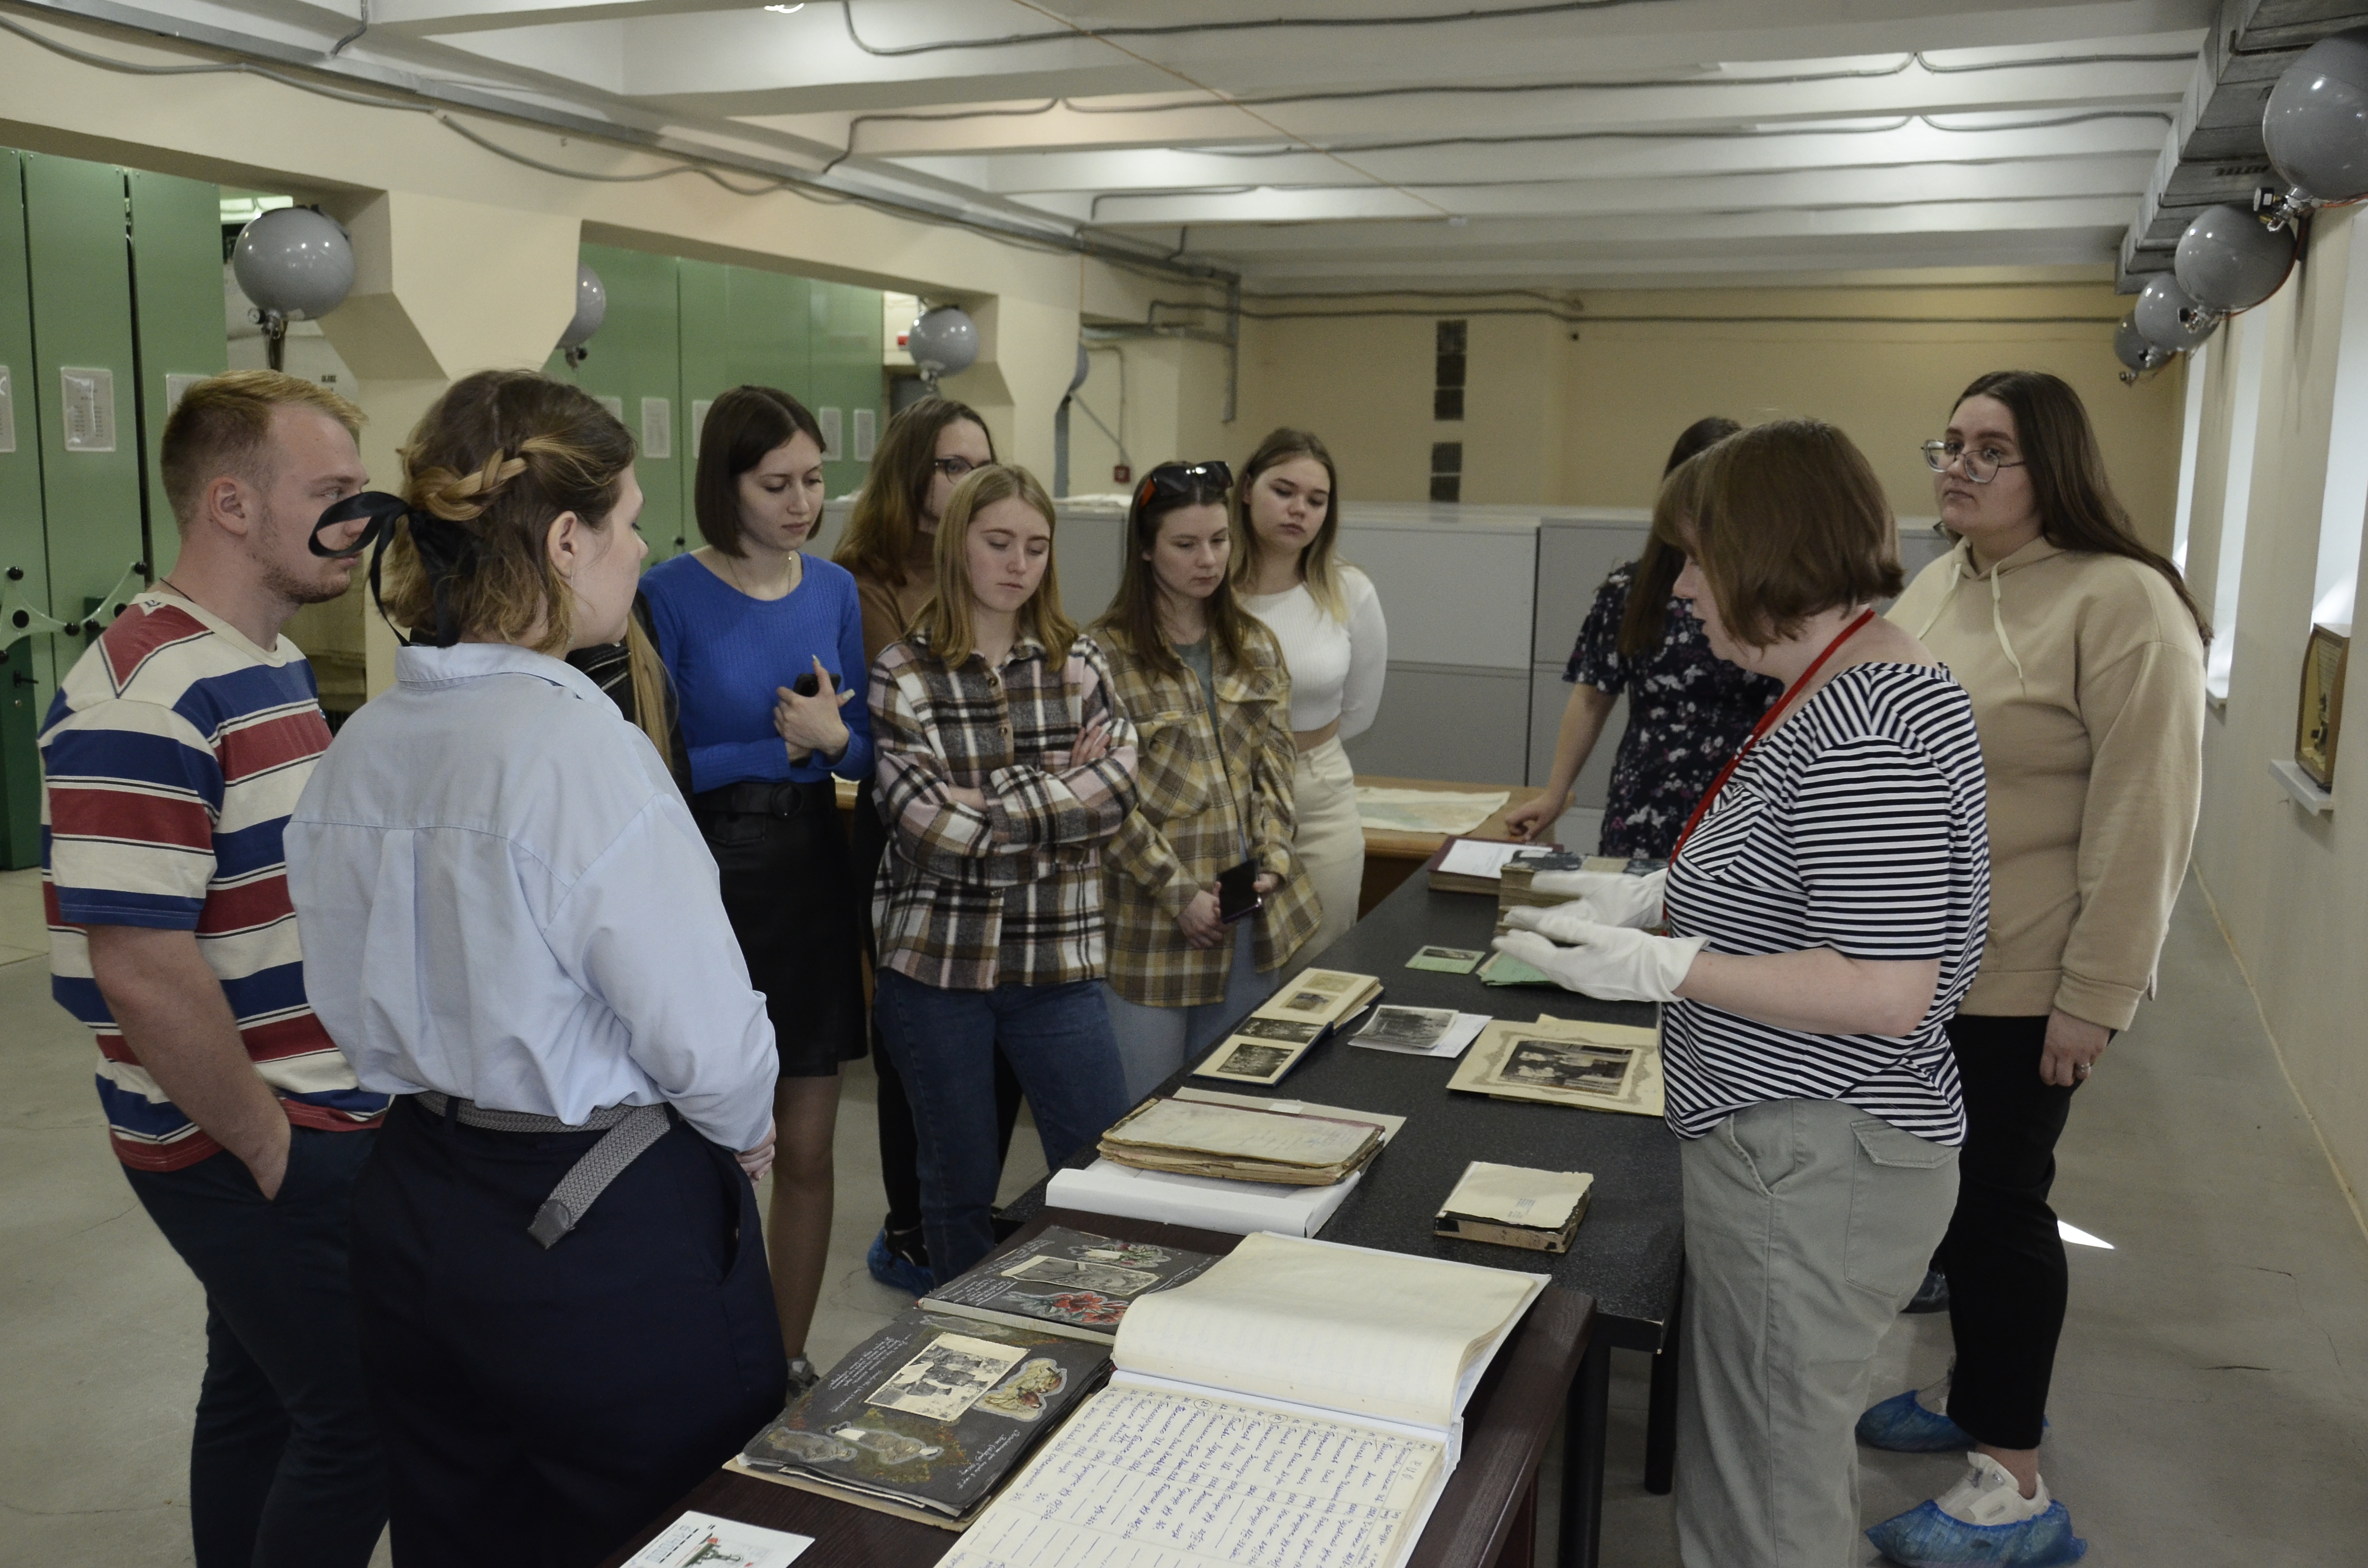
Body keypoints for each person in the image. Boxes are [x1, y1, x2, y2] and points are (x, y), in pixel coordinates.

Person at [284, 370, 785, 1568]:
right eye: (629, 516)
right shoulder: (576, 750)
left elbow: (342, 989)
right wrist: (744, 1126)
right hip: (592, 1229)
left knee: (464, 1529)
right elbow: (708, 1041)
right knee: (680, 1530)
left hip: (412, 1207)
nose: (645, 542)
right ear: (568, 539)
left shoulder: (365, 744)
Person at [1493, 420, 1994, 1568]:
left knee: (1765, 1491)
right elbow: (1808, 879)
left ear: (1768, 553)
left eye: (1698, 561)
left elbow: (1884, 990)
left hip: (1820, 1154)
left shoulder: (1868, 714)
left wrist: (1665, 964)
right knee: (1755, 1461)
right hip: (1800, 1145)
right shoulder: (1842, 679)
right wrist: (1661, 901)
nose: (1683, 591)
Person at [38, 370, 390, 1568]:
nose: (361, 518)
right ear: (232, 506)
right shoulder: (146, 694)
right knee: (361, 1425)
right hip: (244, 1133)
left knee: (260, 1396)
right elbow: (139, 967)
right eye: (332, 492)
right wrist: (267, 1140)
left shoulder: (262, 662)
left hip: (304, 1109)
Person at [1857, 371, 2207, 1567]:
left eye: (1989, 449)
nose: (1956, 464)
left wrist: (2094, 998)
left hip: (2026, 977)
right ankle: (1971, 1396)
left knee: (2004, 1215)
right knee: (1949, 1208)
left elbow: (2146, 815)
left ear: (2052, 464)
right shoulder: (1947, 577)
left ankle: (2012, 1481)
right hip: (1927, 969)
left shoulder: (2124, 603)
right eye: (1947, 442)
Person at [639, 385, 870, 1390]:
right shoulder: (668, 593)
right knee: (706, 1147)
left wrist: (832, 744)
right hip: (709, 874)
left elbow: (863, 741)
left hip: (815, 866)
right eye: (775, 484)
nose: (800, 502)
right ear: (722, 485)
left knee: (810, 1141)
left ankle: (783, 1358)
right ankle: (699, 1353)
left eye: (813, 481)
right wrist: (782, 744)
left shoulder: (835, 591)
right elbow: (658, 758)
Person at [867, 462, 1139, 1281]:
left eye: (1034, 546)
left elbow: (1120, 791)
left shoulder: (1077, 658)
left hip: (1056, 963)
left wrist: (986, 796)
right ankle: (967, 1342)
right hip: (935, 967)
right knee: (955, 1189)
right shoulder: (903, 671)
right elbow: (926, 831)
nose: (1018, 563)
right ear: (958, 546)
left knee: (1098, 1174)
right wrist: (1058, 786)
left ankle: (1094, 1332)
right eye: (998, 542)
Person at [834, 394, 1022, 1293]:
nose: (969, 479)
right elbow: (910, 725)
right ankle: (912, 1224)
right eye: (950, 464)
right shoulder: (864, 578)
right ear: (910, 474)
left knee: (1001, 1034)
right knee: (918, 1038)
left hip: (1007, 828)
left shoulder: (996, 567)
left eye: (979, 462)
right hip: (904, 833)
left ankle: (971, 1207)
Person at [1091, 460, 1320, 1100]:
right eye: (1185, 545)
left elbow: (1275, 766)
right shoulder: (1101, 657)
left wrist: (1272, 858)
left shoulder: (1254, 644)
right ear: (1145, 548)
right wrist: (1179, 895)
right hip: (1151, 926)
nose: (1207, 560)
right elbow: (1105, 801)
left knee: (1229, 1106)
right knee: (1144, 1110)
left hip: (1247, 911)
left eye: (1219, 541)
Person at [1504, 416, 1781, 855]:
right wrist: (1555, 795)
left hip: (1740, 806)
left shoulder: (1772, 596)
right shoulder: (1630, 590)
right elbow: (1591, 699)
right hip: (1644, 801)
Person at [1233, 429, 1385, 954]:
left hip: (1317, 794)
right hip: (1228, 797)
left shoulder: (1348, 591)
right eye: (1284, 491)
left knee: (1321, 967)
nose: (1299, 509)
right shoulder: (1206, 589)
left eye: (1315, 500)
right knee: (1236, 967)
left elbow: (1360, 710)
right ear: (1247, 488)